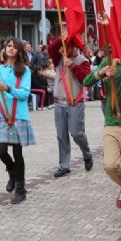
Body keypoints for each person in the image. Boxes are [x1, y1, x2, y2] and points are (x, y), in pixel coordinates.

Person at [80, 24, 121, 235]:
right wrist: (101, 72)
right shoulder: (110, 61)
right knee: (110, 165)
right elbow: (86, 80)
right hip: (112, 123)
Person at [0, 37, 36, 204]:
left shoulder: (24, 70)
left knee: (17, 153)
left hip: (18, 115)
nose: (11, 49)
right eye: (8, 46)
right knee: (1, 151)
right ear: (4, 50)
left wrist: (8, 88)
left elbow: (25, 94)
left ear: (19, 51)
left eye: (15, 47)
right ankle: (11, 171)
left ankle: (20, 188)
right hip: (2, 115)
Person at [48, 33, 93, 177]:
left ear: (74, 47)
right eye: (63, 46)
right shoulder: (58, 59)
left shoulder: (83, 61)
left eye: (68, 45)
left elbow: (86, 80)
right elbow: (51, 48)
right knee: (61, 135)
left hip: (75, 103)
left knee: (77, 133)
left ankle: (87, 153)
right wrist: (60, 37)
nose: (65, 48)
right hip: (59, 103)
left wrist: (72, 65)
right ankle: (64, 165)